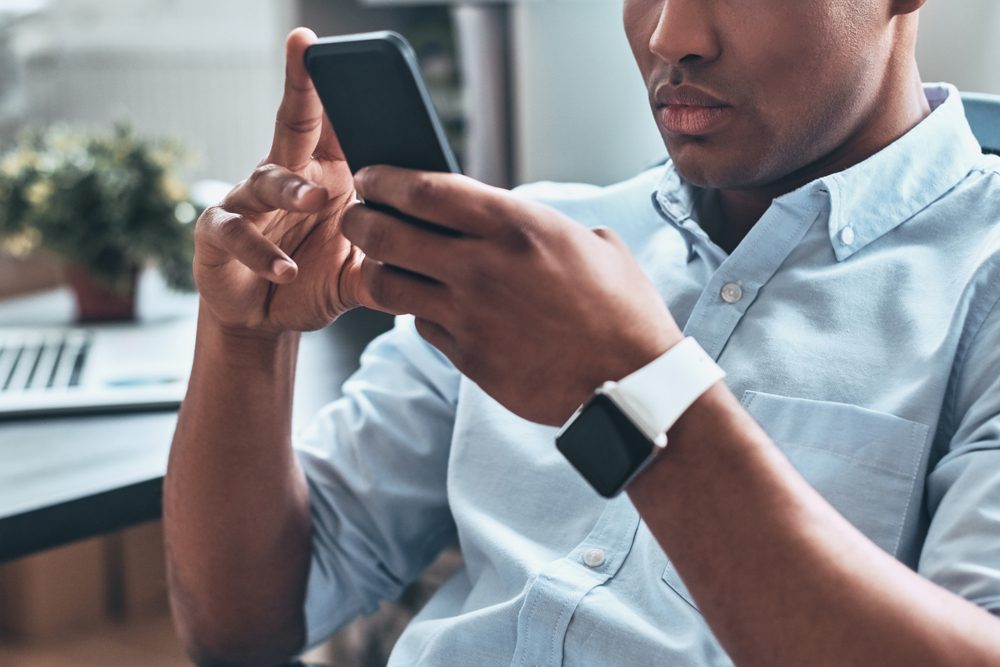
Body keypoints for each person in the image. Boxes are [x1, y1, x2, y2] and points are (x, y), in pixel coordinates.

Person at [164, 0, 1000, 665]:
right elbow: (242, 623)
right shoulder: (529, 248)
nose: (671, 35)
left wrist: (640, 388)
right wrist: (245, 340)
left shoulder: (982, 282)